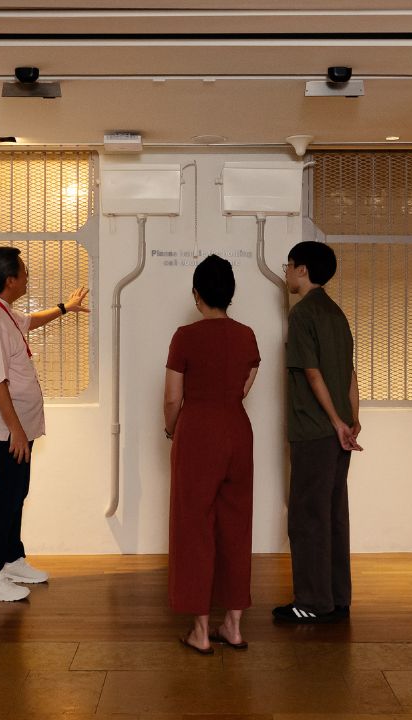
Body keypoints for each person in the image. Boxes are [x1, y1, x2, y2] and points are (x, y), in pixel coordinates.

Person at [0, 246, 89, 602]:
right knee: (5, 497)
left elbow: (30, 321)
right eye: (23, 272)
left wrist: (65, 308)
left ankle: (12, 558)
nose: (27, 277)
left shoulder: (2, 309)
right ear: (10, 280)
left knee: (16, 493)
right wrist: (16, 432)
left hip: (17, 426)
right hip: (8, 428)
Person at [164, 255, 261, 654]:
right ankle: (233, 626)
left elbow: (172, 398)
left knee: (194, 528)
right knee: (236, 527)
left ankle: (201, 631)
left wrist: (173, 428)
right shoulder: (248, 336)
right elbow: (244, 387)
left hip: (198, 434)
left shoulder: (184, 336)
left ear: (197, 294)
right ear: (232, 294)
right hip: (238, 432)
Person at [273, 240, 362, 624]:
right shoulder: (336, 314)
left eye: (289, 265)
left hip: (314, 431)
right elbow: (351, 376)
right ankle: (337, 597)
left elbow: (312, 373)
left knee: (307, 518)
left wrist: (335, 422)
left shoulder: (303, 314)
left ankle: (310, 601)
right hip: (339, 432)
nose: (286, 272)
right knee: (333, 514)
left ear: (303, 269)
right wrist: (351, 420)